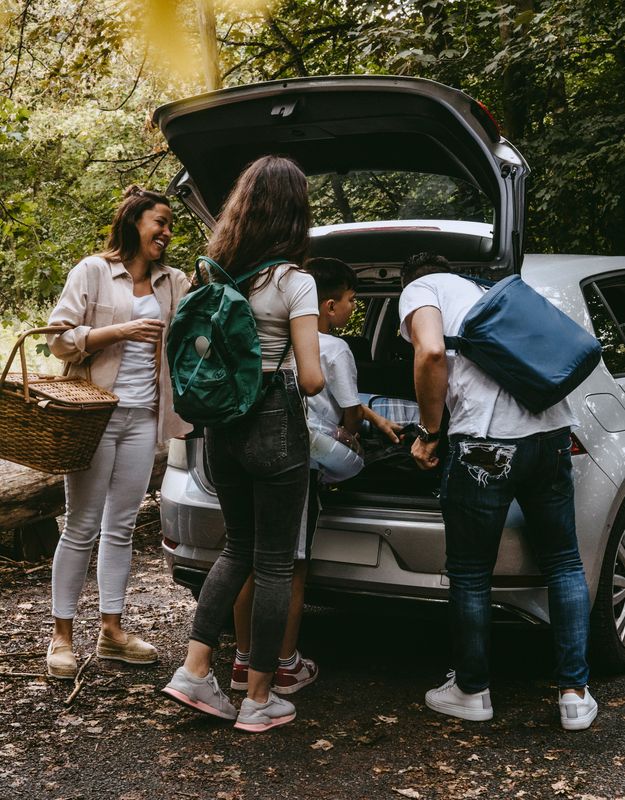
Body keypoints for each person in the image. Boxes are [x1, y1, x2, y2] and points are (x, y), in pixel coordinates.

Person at [398, 251, 597, 731]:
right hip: (549, 435)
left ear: (411, 278)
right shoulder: (487, 289)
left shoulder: (422, 289)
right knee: (564, 562)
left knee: (470, 574)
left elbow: (428, 353)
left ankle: (472, 691)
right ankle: (574, 694)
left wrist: (428, 432)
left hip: (486, 445)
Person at [162, 155, 324, 733]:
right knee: (276, 561)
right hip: (276, 425)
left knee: (236, 548)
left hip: (223, 430)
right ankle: (259, 699)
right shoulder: (295, 282)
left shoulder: (218, 273)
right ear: (294, 214)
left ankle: (195, 670)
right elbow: (310, 379)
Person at [229, 256, 403, 700]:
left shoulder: (272, 334)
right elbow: (347, 408)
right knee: (291, 566)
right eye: (349, 300)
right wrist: (356, 436)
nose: (352, 308)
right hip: (299, 463)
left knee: (249, 558)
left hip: (256, 448)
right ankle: (285, 665)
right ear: (326, 306)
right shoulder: (337, 348)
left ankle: (241, 660)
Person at [45, 186, 191, 680]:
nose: (167, 233)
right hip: (93, 414)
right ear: (134, 222)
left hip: (144, 415)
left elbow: (191, 341)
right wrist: (119, 332)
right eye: (161, 222)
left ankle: (112, 630)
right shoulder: (92, 271)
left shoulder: (174, 281)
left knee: (123, 526)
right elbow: (59, 339)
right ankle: (61, 636)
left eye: (170, 225)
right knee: (82, 524)